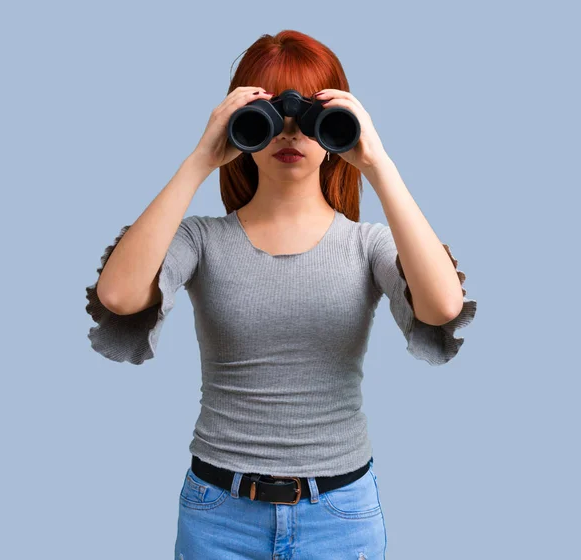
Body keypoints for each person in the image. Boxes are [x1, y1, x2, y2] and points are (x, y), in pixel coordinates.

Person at [85, 29, 477, 560]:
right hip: (218, 511)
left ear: (337, 125)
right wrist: (201, 158)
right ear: (241, 124)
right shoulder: (202, 240)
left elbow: (442, 307)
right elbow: (119, 296)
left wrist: (379, 165)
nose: (289, 135)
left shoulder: (367, 244)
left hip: (340, 514)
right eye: (269, 117)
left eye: (312, 117)